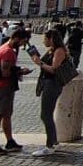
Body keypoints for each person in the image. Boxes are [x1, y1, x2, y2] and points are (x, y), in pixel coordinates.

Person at [0, 29, 31, 155]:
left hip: (6, 86)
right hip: (3, 87)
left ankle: (10, 141)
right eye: (23, 41)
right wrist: (21, 71)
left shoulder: (5, 48)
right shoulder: (7, 52)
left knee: (6, 115)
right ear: (17, 38)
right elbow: (5, 72)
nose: (22, 45)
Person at [29, 29, 69, 157]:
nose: (43, 40)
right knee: (46, 114)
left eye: (45, 38)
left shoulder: (59, 51)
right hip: (48, 83)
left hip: (53, 84)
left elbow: (53, 69)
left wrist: (39, 62)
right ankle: (54, 141)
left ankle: (49, 145)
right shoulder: (53, 50)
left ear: (51, 38)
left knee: (46, 114)